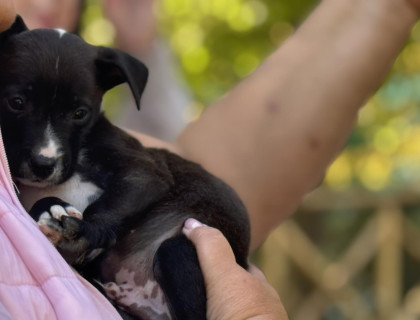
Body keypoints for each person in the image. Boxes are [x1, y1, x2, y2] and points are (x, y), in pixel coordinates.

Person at [1, 0, 420, 318]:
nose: (46, 149)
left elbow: (201, 164)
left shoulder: (107, 143)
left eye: (75, 114)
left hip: (165, 255)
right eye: (19, 103)